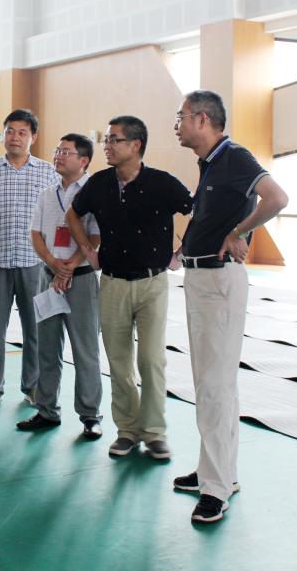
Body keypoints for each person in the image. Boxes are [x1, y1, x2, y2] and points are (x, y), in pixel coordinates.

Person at [170, 90, 289, 524]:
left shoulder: (234, 156)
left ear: (203, 119)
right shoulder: (209, 163)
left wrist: (239, 232)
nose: (177, 125)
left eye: (181, 117)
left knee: (215, 386)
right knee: (212, 382)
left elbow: (276, 198)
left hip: (218, 281)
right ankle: (216, 471)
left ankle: (216, 488)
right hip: (200, 277)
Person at [66, 115, 192, 460]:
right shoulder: (99, 183)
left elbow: (196, 210)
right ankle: (127, 431)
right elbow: (73, 215)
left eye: (114, 140)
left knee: (151, 360)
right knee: (119, 362)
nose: (106, 145)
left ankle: (154, 432)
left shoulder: (162, 183)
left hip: (153, 284)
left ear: (135, 145)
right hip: (112, 284)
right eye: (106, 139)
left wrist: (180, 254)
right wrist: (88, 251)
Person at [17, 133, 104, 439]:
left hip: (81, 280)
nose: (58, 155)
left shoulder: (94, 193)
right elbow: (36, 234)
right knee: (47, 347)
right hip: (48, 277)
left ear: (84, 160)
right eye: (58, 150)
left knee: (85, 350)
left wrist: (69, 267)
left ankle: (90, 415)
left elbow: (95, 237)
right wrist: (53, 263)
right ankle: (46, 410)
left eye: (66, 152)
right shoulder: (47, 194)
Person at [0, 109, 59, 410]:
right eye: (10, 131)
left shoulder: (48, 172)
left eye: (22, 132)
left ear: (33, 137)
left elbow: (55, 215)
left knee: (34, 329)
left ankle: (32, 386)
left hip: (35, 263)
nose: (15, 137)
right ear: (3, 134)